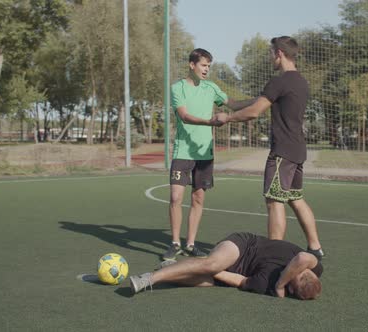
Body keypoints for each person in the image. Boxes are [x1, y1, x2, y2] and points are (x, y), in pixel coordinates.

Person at [215, 36, 324, 259]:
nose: (269, 57)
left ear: (279, 54)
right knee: (295, 198)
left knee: (274, 201)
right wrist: (229, 102)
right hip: (298, 150)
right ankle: (315, 248)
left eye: (270, 53)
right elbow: (257, 101)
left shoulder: (279, 81)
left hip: (282, 151)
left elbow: (255, 111)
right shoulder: (300, 82)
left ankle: (273, 256)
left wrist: (227, 118)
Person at [164, 48, 256, 261]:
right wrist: (210, 122)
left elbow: (232, 104)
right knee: (175, 197)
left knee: (198, 198)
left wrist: (258, 99)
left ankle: (191, 244)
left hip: (205, 153)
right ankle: (175, 243)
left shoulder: (211, 88)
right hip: (183, 151)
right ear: (192, 65)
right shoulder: (177, 88)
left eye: (208, 66)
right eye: (203, 65)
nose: (206, 70)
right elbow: (184, 116)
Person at [130, 232, 323, 300]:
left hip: (236, 271)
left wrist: (209, 271)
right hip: (243, 245)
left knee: (204, 280)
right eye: (307, 272)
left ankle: (169, 269)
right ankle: (149, 278)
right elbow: (303, 257)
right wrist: (282, 284)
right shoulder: (312, 266)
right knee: (212, 264)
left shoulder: (266, 285)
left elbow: (241, 281)